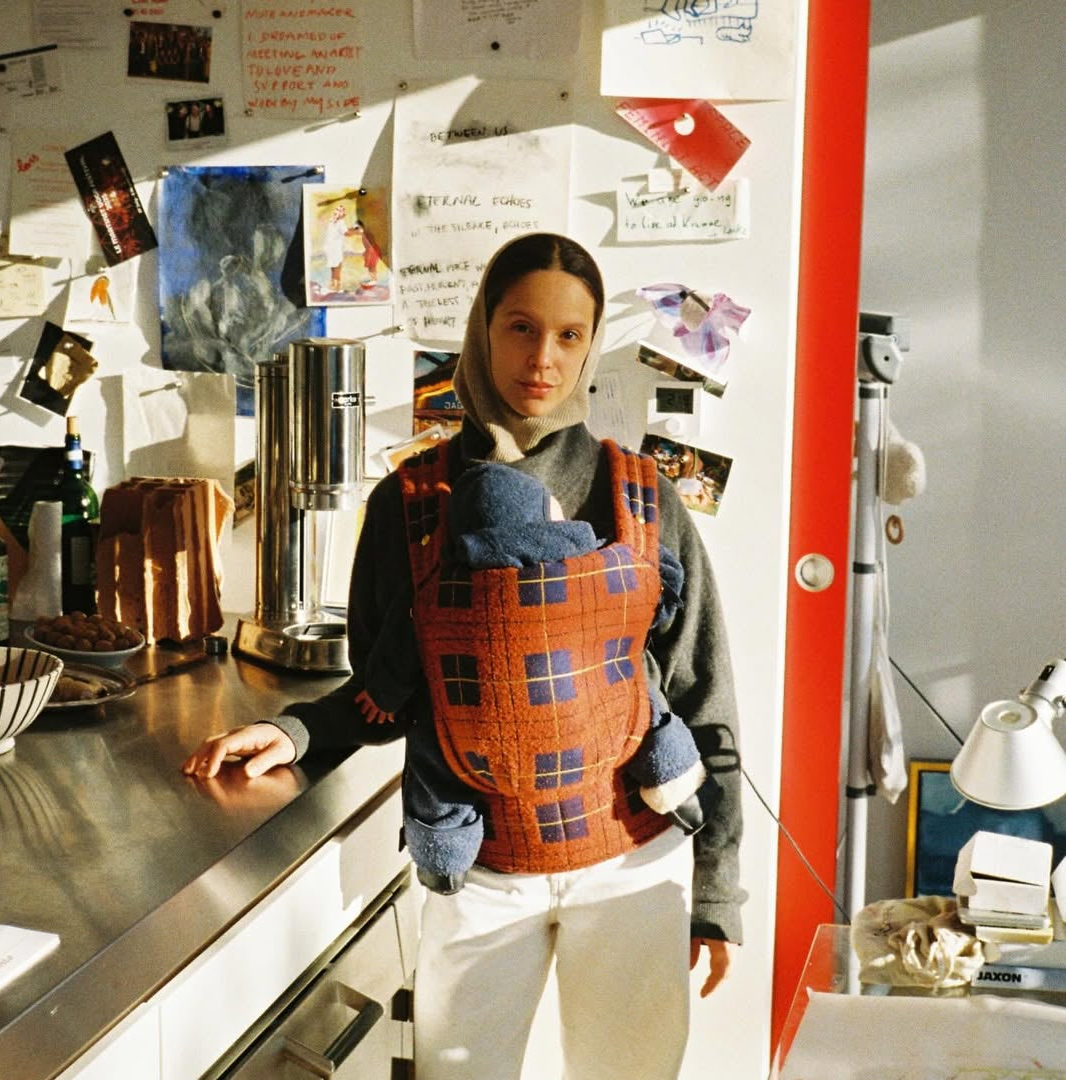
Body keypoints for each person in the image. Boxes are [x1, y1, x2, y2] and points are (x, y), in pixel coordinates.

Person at [183, 232, 744, 1080]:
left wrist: (717, 890)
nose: (543, 358)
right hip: (479, 871)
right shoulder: (409, 503)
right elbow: (388, 691)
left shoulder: (641, 496)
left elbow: (704, 697)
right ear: (483, 330)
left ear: (591, 345)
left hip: (633, 864)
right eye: (521, 327)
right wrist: (297, 733)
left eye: (568, 335)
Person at [354, 457, 720, 896]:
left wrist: (381, 694)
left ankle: (444, 855)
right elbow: (654, 584)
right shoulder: (597, 552)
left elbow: (397, 648)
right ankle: (677, 782)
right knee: (642, 698)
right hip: (625, 820)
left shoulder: (436, 588)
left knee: (433, 759)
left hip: (479, 761)